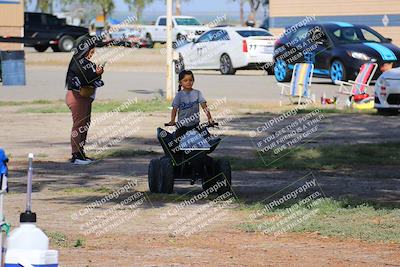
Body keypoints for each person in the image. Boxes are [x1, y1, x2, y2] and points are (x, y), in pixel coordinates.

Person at [65, 38, 105, 165]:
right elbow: (85, 79)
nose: (91, 55)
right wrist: (96, 73)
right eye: (90, 52)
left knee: (84, 125)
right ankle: (76, 156)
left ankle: (81, 154)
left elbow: (94, 77)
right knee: (79, 126)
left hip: (84, 97)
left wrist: (98, 73)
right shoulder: (78, 63)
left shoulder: (84, 62)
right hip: (77, 97)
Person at [167, 70, 214, 139]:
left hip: (195, 124)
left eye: (190, 80)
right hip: (182, 125)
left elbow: (204, 107)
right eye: (185, 80)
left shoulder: (197, 93)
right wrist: (172, 120)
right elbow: (174, 109)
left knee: (206, 137)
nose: (188, 82)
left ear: (193, 81)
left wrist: (210, 118)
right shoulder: (179, 95)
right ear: (180, 82)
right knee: (176, 140)